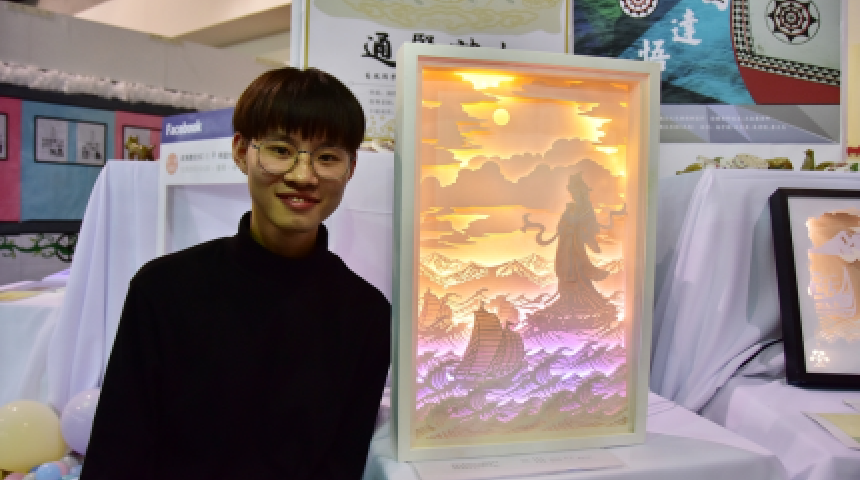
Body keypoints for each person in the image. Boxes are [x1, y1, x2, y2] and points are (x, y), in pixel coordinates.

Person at [81, 68, 391, 479]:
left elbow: (343, 464)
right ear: (241, 151)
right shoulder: (163, 290)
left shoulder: (365, 314)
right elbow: (117, 454)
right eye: (280, 150)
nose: (303, 176)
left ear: (350, 168)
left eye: (327, 157)